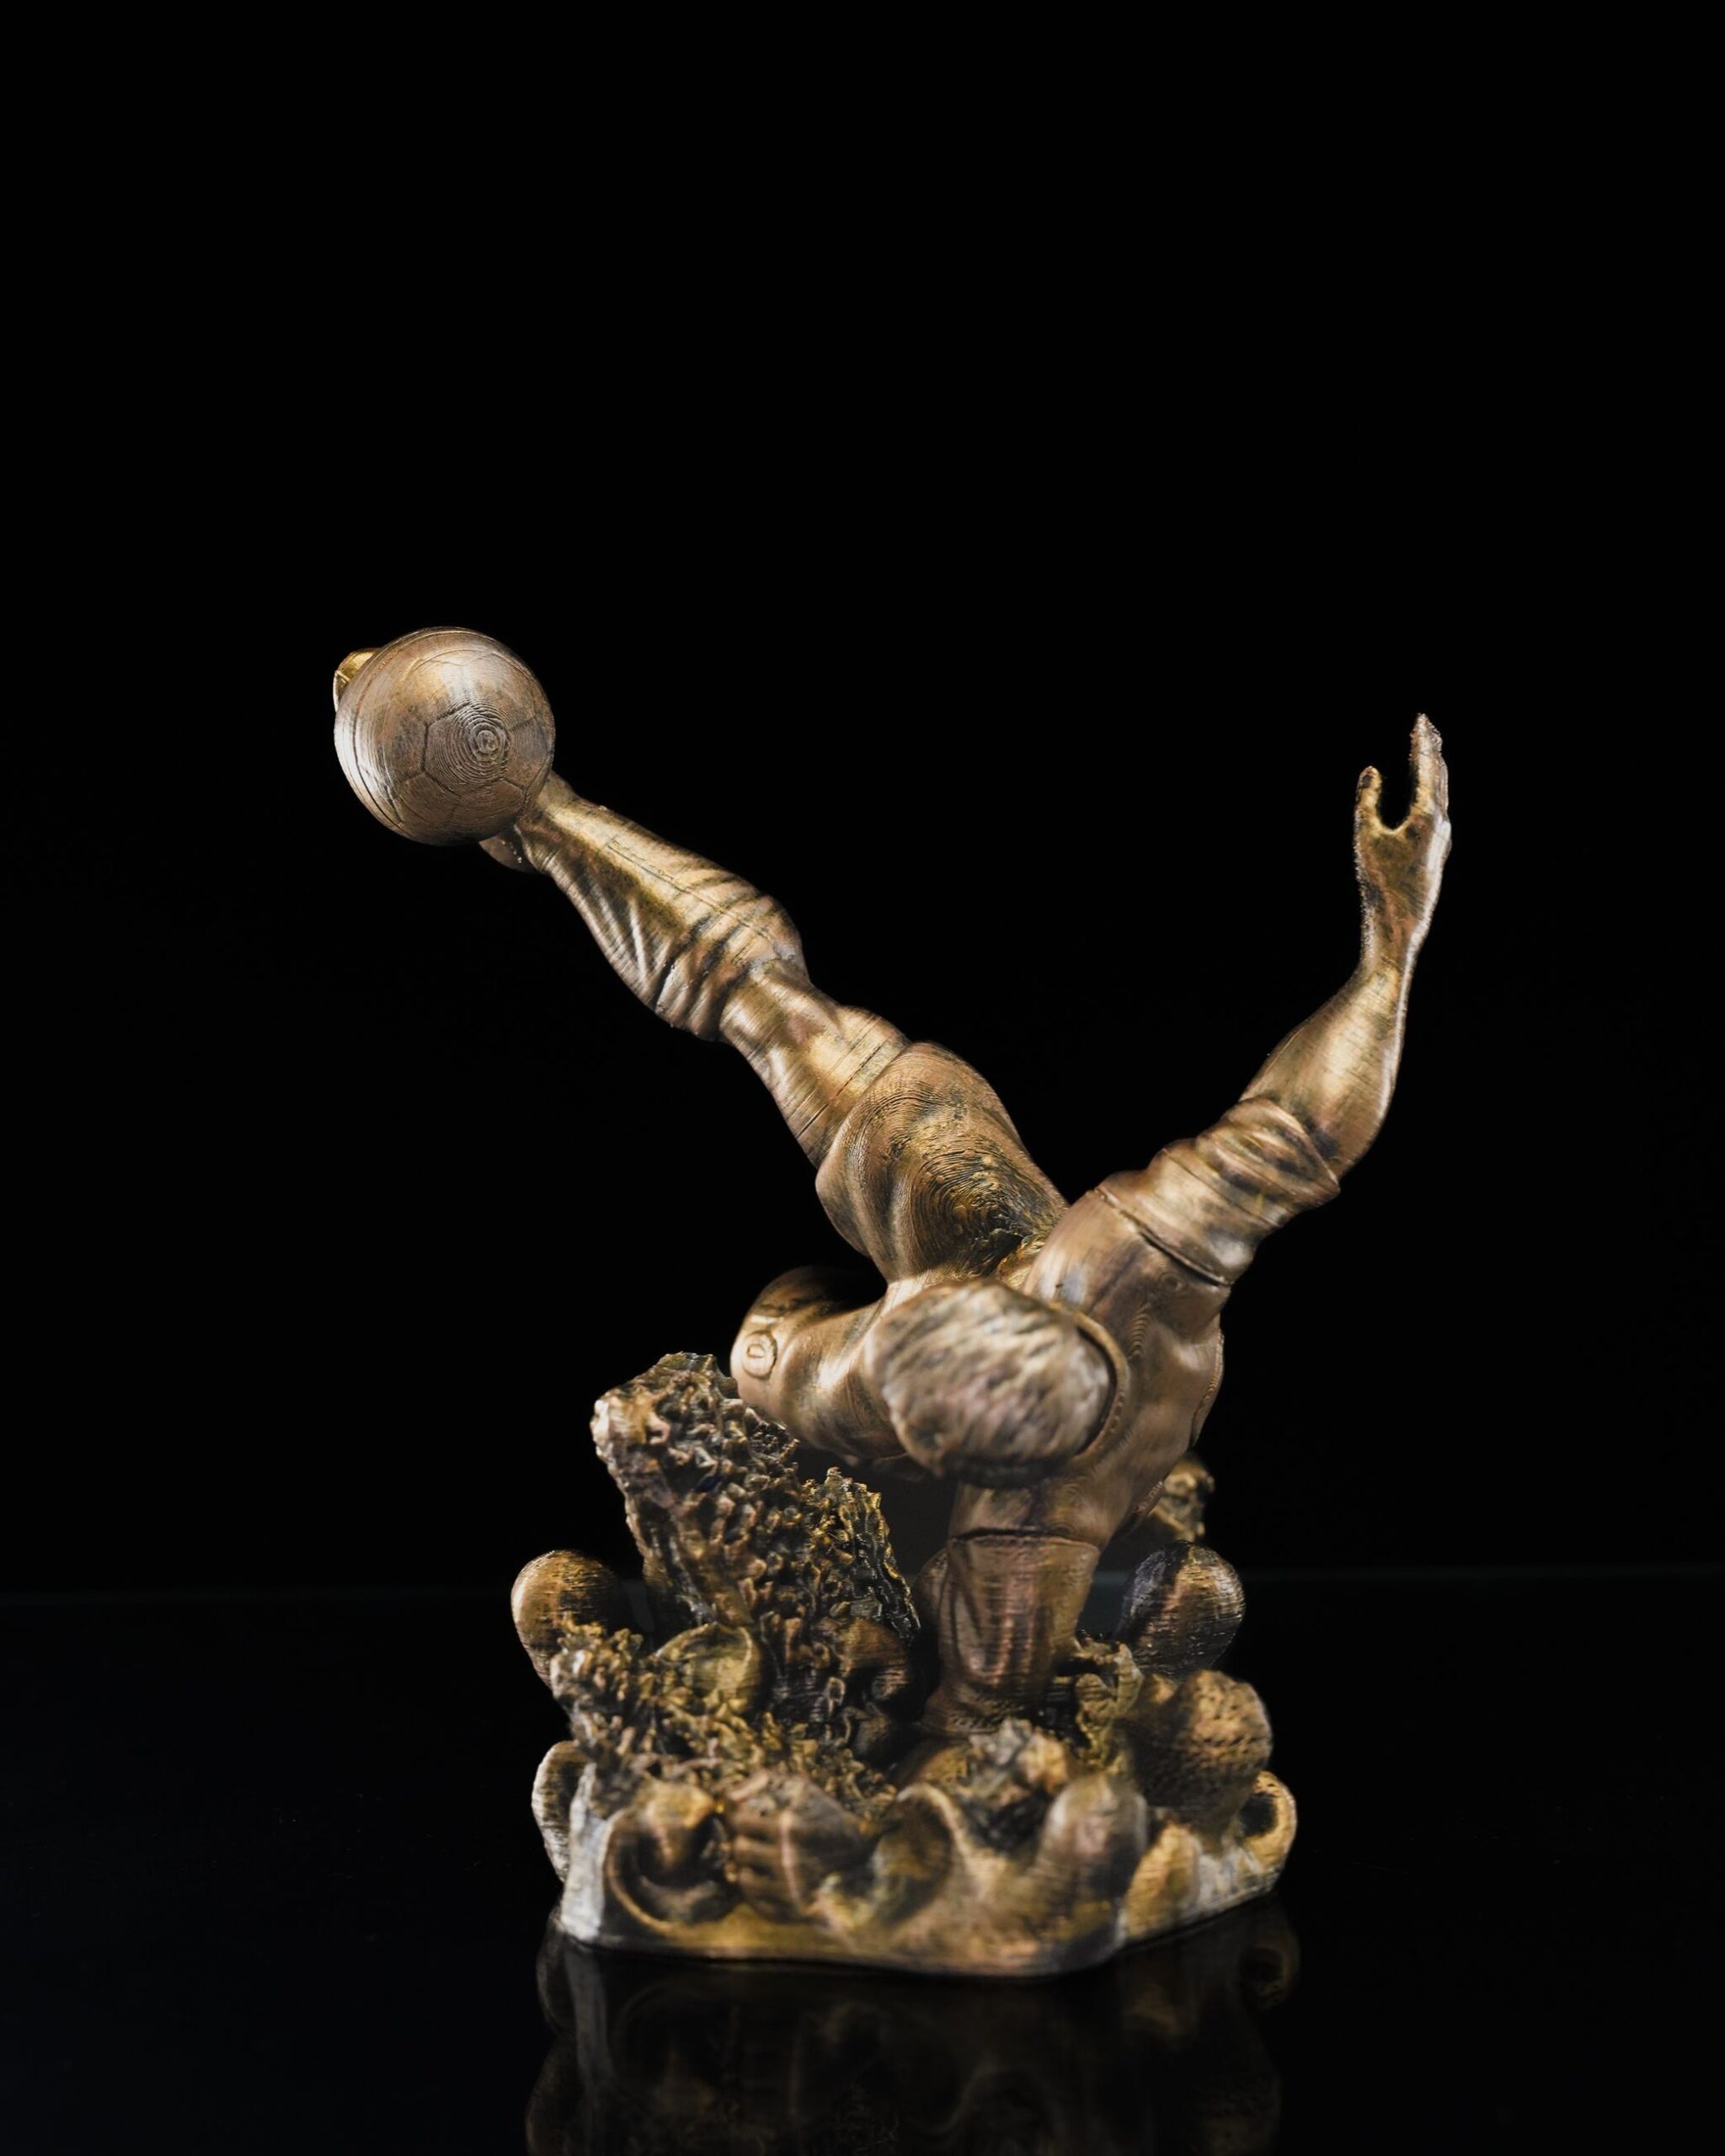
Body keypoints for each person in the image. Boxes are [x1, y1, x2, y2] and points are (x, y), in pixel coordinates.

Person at [504, 720, 1451, 1734]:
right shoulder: (1126, 1258)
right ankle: (546, 815)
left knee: (764, 1361)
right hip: (950, 1263)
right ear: (1032, 1300)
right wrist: (1392, 942)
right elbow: (1301, 1127)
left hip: (811, 1375)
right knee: (797, 1030)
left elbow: (970, 1726)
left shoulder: (1013, 1540)